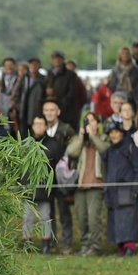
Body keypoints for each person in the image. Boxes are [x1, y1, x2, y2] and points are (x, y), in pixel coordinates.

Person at [67, 112, 110, 256]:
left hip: (96, 184)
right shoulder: (78, 139)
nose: (89, 123)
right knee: (82, 218)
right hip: (80, 184)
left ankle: (96, 246)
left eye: (92, 121)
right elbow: (71, 152)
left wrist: (93, 136)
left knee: (93, 218)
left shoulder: (104, 138)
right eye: (87, 121)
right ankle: (85, 246)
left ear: (97, 123)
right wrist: (81, 137)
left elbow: (105, 150)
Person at [102, 121, 138, 256]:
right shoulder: (109, 151)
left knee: (128, 220)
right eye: (111, 133)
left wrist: (136, 190)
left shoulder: (131, 148)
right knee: (115, 220)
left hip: (127, 190)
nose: (114, 135)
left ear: (121, 133)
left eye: (116, 132)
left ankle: (130, 247)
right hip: (112, 191)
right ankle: (121, 247)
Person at [25, 114, 66, 254]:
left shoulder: (54, 144)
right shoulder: (26, 144)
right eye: (36, 123)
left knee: (45, 218)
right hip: (28, 188)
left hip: (45, 189)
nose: (38, 126)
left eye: (41, 124)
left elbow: (58, 166)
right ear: (32, 126)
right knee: (27, 218)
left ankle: (46, 245)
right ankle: (27, 244)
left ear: (46, 126)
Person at [43, 99, 76, 253]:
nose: (49, 113)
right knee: (49, 213)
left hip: (62, 177)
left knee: (64, 212)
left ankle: (67, 243)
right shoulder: (40, 129)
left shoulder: (67, 130)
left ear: (58, 112)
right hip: (45, 178)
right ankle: (51, 242)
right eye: (46, 110)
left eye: (52, 110)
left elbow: (74, 152)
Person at [46, 51, 82, 129]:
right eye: (55, 58)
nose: (57, 60)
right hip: (52, 110)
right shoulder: (49, 73)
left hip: (67, 111)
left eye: (59, 58)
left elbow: (73, 93)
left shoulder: (70, 74)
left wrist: (60, 103)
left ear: (63, 60)